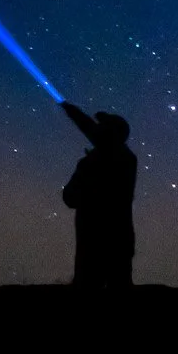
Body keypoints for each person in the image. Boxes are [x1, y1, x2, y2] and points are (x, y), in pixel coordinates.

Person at [59, 101, 137, 289]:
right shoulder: (117, 157)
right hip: (106, 234)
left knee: (102, 282)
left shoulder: (116, 157)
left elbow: (91, 130)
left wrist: (73, 112)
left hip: (105, 235)